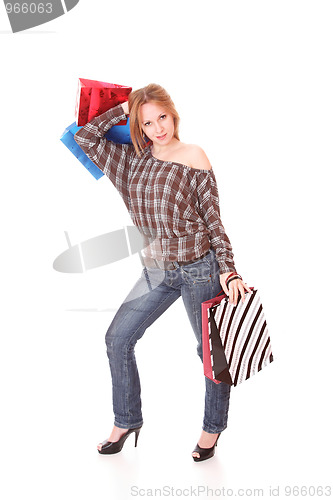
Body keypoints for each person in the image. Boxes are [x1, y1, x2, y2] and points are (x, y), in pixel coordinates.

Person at [74, 83, 251, 462]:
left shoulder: (194, 156)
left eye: (163, 117)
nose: (158, 128)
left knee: (209, 352)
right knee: (118, 339)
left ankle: (211, 429)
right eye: (148, 122)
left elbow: (213, 221)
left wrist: (230, 271)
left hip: (199, 268)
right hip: (157, 269)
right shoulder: (129, 160)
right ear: (138, 126)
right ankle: (126, 422)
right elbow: (85, 137)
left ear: (174, 114)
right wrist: (123, 107)